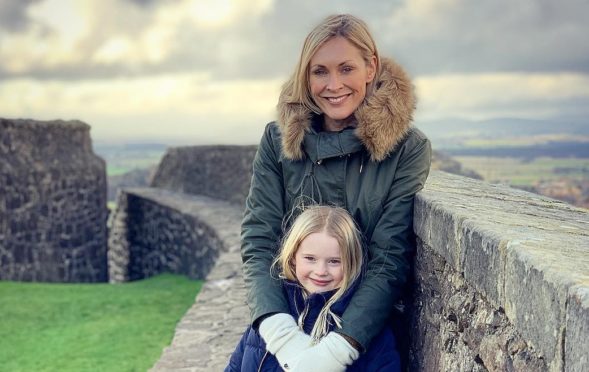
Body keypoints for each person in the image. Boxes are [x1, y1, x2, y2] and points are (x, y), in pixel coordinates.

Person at [241, 14, 431, 371]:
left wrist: (337, 350)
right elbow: (259, 239)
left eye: (346, 68)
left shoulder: (407, 149)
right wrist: (279, 332)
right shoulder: (277, 139)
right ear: (305, 75)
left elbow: (389, 256)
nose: (333, 84)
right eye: (320, 71)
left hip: (362, 336)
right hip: (285, 319)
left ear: (370, 68)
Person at [226, 205, 400, 371]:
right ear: (293, 257)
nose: (321, 271)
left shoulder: (365, 325)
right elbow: (236, 366)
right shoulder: (273, 312)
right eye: (310, 258)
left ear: (351, 263)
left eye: (334, 261)